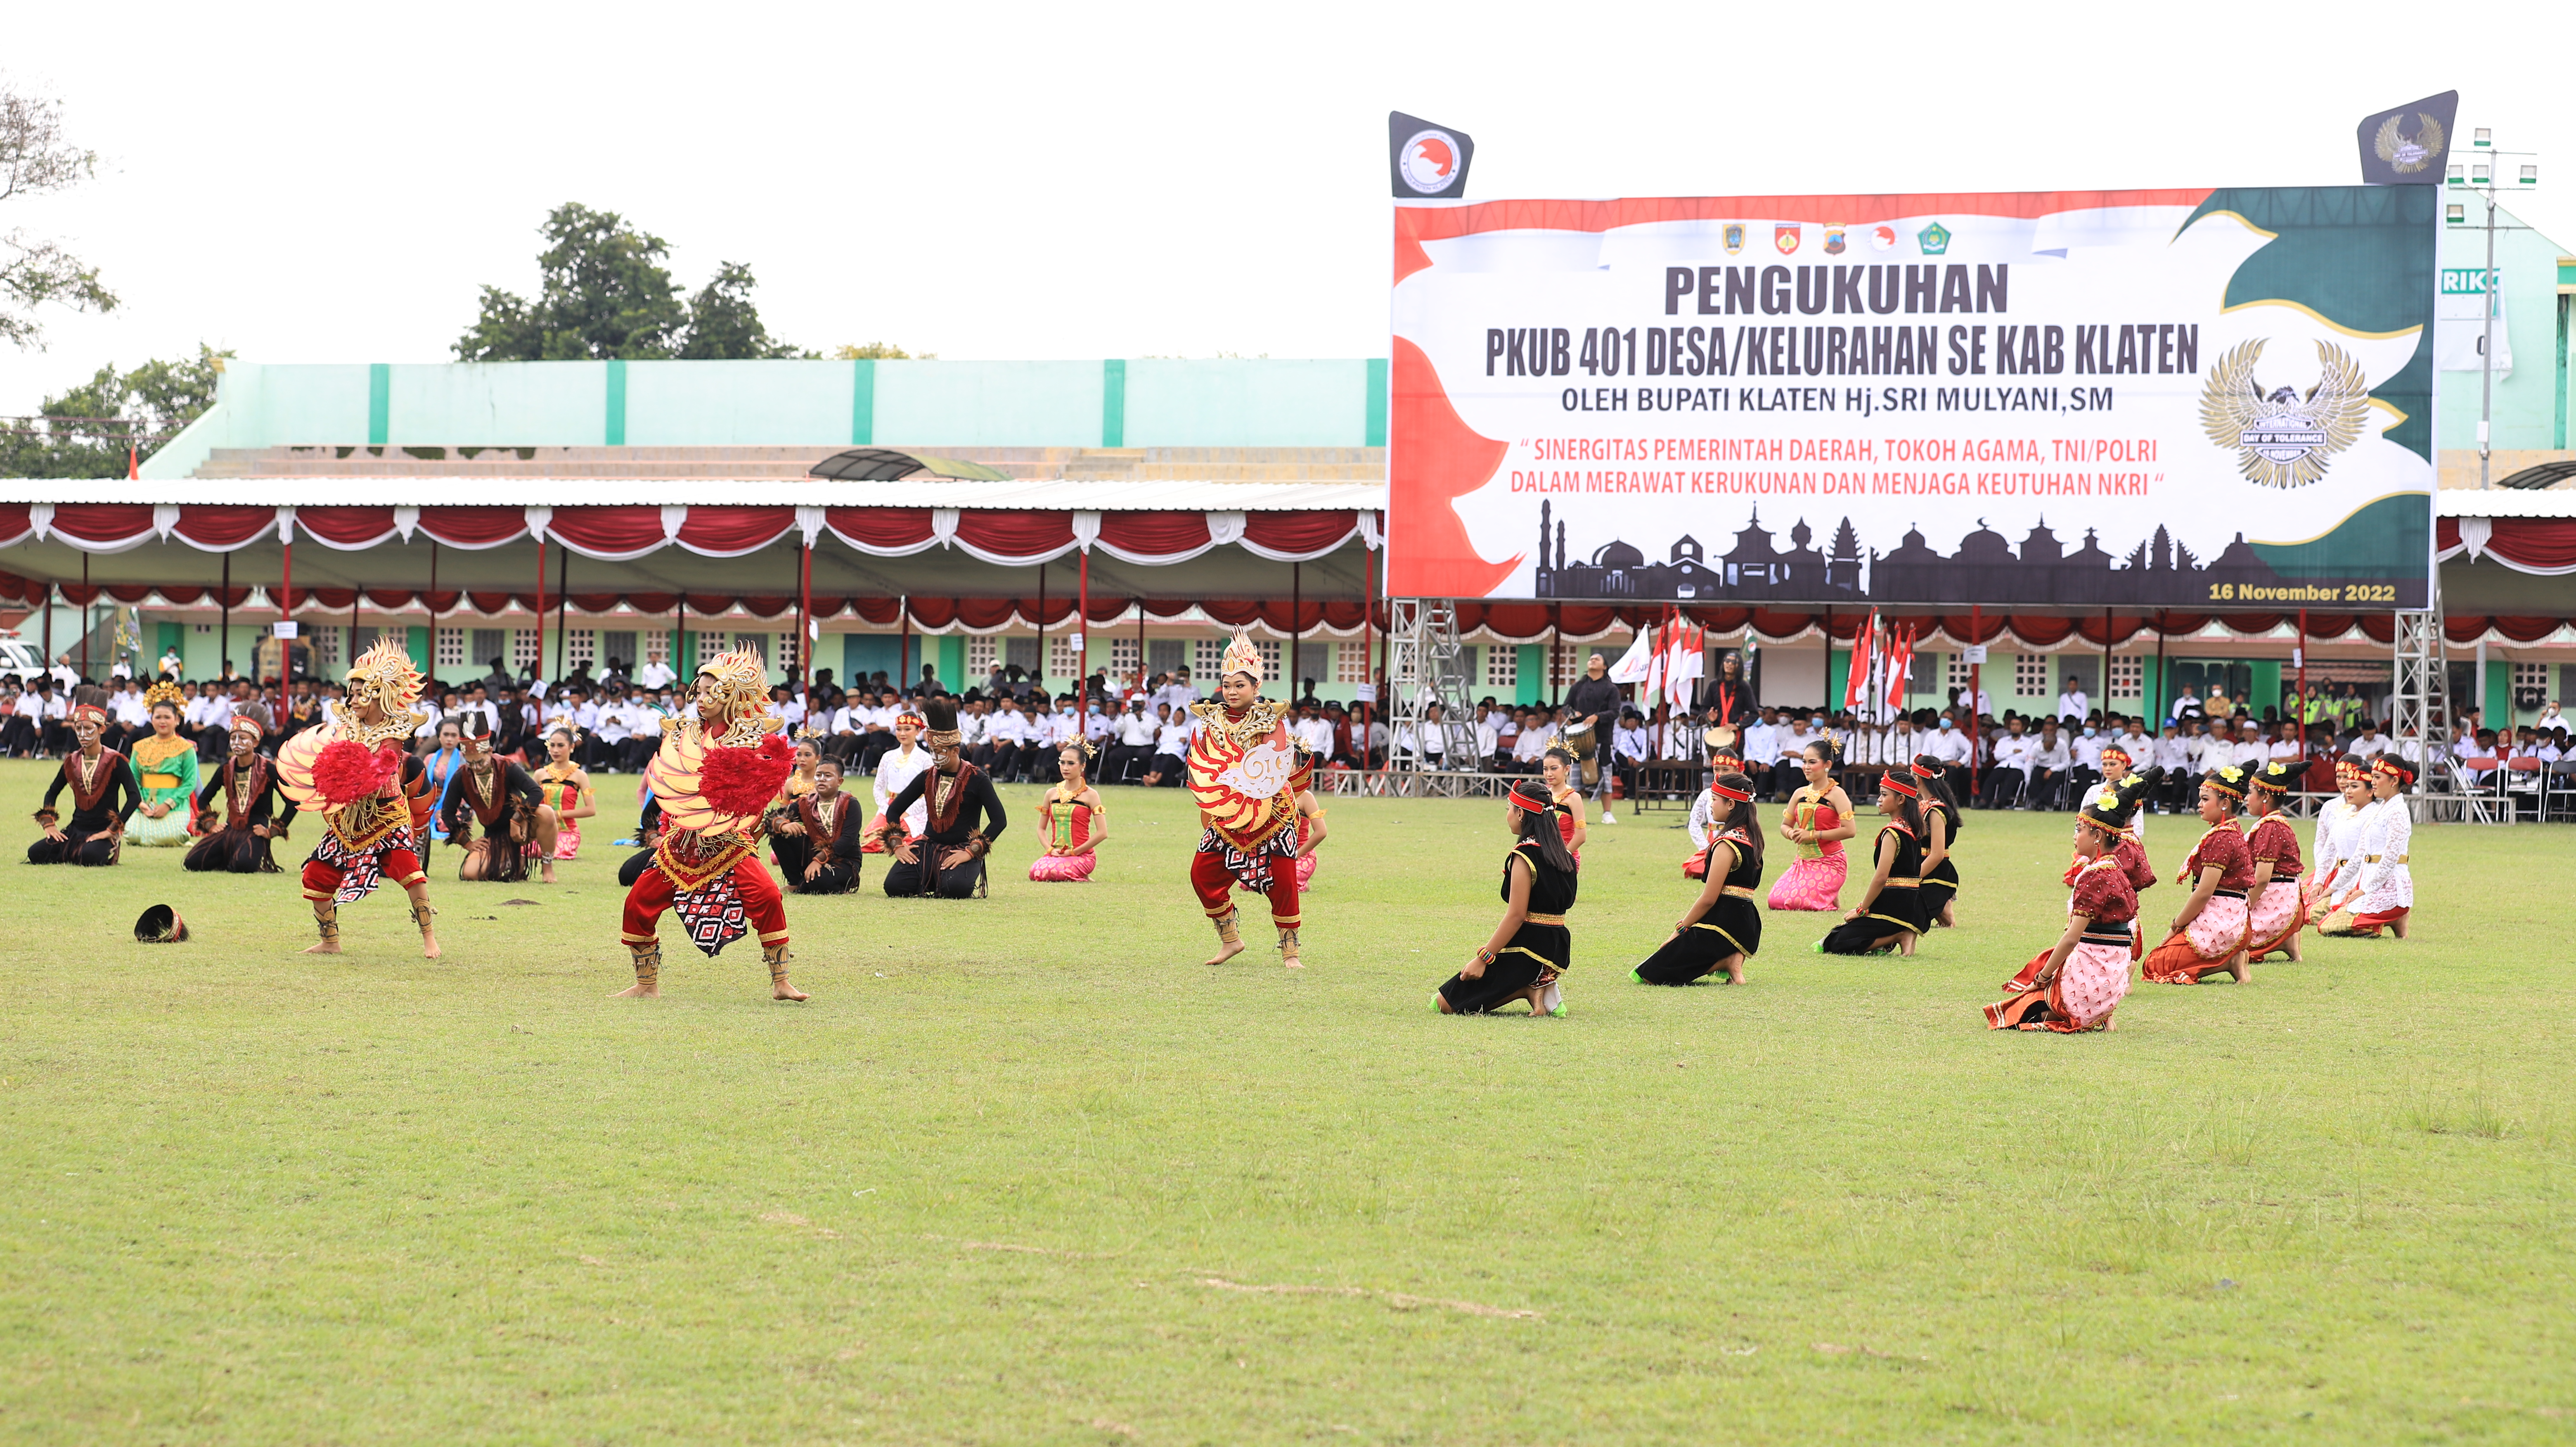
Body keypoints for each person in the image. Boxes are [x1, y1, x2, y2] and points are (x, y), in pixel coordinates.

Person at [616, 648, 803, 1000]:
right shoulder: (681, 735)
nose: (701, 699)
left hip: (729, 843)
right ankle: (646, 985)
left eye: (709, 692)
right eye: (697, 692)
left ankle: (782, 983)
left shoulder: (751, 740)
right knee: (637, 902)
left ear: (730, 694)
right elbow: (667, 789)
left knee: (767, 896)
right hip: (681, 843)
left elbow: (759, 795)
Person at [274, 640, 443, 958]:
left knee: (410, 872)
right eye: (350, 692)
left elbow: (386, 762)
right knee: (316, 875)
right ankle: (330, 941)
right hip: (349, 818)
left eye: (358, 691)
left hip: (385, 816)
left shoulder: (394, 730)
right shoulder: (346, 726)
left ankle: (429, 937)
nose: (351, 698)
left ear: (378, 692)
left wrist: (356, 771)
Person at [1185, 630, 1313, 968]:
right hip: (1229, 813)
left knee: (1284, 884)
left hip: (1272, 814)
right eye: (1227, 685)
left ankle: (1291, 953)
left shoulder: (1271, 719)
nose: (1231, 692)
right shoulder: (1213, 721)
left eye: (1239, 685)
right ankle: (1230, 940)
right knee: (1202, 874)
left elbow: (1268, 767)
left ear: (1256, 687)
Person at [1982, 791, 2139, 1033]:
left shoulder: (2095, 875)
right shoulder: (2117, 870)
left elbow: (2071, 939)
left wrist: (2042, 978)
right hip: (2112, 979)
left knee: (2015, 1011)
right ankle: (2101, 1013)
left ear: (2097, 835)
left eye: (2079, 829)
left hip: (2090, 977)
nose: (2075, 836)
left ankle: (2081, 1010)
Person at [1433, 779, 1576, 1016]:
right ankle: (1541, 983)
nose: (1508, 815)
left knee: (1444, 1003)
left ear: (1521, 814)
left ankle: (1528, 989)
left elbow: (1517, 916)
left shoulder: (1525, 855)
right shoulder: (1565, 856)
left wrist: (1483, 958)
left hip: (1528, 948)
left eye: (1509, 809)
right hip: (1556, 949)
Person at [1633, 773, 1763, 986]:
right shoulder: (1751, 836)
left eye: (1714, 799)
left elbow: (1709, 899)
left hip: (1724, 925)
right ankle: (1732, 957)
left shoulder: (1727, 843)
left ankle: (1728, 960)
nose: (1711, 805)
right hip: (1745, 925)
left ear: (1731, 804)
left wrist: (1679, 930)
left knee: (1650, 973)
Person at [881, 696, 1009, 899]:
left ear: (955, 751)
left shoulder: (977, 778)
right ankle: (933, 875)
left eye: (940, 752)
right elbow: (894, 810)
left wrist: (970, 852)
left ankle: (948, 876)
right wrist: (898, 845)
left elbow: (1000, 821)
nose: (935, 757)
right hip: (928, 847)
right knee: (894, 887)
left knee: (955, 890)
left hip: (962, 850)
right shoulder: (927, 776)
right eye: (932, 751)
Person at [2139, 764, 2255, 985]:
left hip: (2223, 922)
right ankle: (2232, 956)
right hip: (2236, 920)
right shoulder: (2230, 831)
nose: (2199, 805)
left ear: (2224, 804)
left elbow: (2204, 893)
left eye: (2204, 799)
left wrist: (2176, 926)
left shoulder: (2220, 838)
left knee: (2154, 965)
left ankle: (2228, 963)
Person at [1817, 768, 1928, 956]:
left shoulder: (1893, 833)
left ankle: (1900, 935)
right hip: (1912, 906)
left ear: (1901, 800)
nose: (1879, 799)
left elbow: (1881, 878)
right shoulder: (1914, 830)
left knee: (1836, 942)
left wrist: (1862, 909)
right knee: (1842, 935)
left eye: (1884, 795)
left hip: (1893, 905)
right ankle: (1902, 933)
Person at [440, 715, 553, 883]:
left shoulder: (507, 766)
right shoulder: (461, 776)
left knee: (547, 813)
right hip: (494, 836)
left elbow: (536, 792)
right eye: (471, 763)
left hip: (523, 827)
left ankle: (548, 868)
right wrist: (467, 843)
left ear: (490, 752)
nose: (476, 768)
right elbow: (448, 813)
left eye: (480, 762)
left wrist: (517, 820)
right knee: (470, 874)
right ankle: (512, 861)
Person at [27, 704, 138, 866]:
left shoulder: (116, 761)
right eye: (78, 729)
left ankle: (102, 847)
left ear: (102, 729)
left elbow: (135, 797)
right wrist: (49, 824)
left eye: (88, 728)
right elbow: (52, 792)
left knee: (89, 856)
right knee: (35, 853)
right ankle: (75, 849)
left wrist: (111, 831)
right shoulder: (72, 761)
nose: (82, 734)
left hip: (103, 830)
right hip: (75, 831)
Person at [2319, 757, 2414, 938]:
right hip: (2370, 882)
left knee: (2331, 927)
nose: (2373, 782)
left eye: (2378, 777)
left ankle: (2396, 916)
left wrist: (2365, 890)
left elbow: (2389, 859)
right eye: (2373, 777)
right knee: (2325, 923)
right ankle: (2388, 921)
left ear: (2394, 781)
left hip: (2390, 885)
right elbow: (2360, 858)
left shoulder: (2398, 812)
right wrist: (2346, 886)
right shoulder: (2380, 810)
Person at [185, 715, 287, 873]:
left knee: (243, 866)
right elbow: (204, 798)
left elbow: (293, 802)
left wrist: (271, 831)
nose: (237, 742)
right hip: (229, 829)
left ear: (255, 742)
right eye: (233, 738)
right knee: (192, 862)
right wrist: (211, 825)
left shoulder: (268, 769)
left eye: (243, 738)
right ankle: (230, 853)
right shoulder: (226, 768)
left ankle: (237, 855)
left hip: (255, 831)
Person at [1767, 738, 1854, 910]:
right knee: (1775, 900)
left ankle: (1829, 895)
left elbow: (1850, 830)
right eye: (1804, 762)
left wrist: (1813, 835)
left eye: (1812, 762)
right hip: (1802, 862)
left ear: (1827, 764)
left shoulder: (1837, 794)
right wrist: (1791, 833)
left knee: (1797, 902)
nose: (1806, 767)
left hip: (1830, 861)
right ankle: (1828, 896)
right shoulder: (1799, 793)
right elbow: (1785, 825)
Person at [2239, 759, 2308, 962]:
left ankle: (2285, 936)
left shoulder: (2270, 827)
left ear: (2266, 797)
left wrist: (2243, 907)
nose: (2246, 798)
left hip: (2277, 899)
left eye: (2250, 792)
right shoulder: (2272, 823)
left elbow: (2262, 879)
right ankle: (2287, 939)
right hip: (2279, 896)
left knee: (2228, 946)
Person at [123, 686, 202, 847]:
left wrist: (168, 805)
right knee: (132, 835)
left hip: (174, 805)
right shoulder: (139, 747)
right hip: (144, 805)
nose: (163, 721)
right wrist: (140, 804)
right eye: (158, 717)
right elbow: (132, 780)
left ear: (177, 720)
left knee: (171, 836)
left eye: (167, 717)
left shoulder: (186, 748)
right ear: (152, 720)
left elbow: (190, 782)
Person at [2306, 757, 2372, 929]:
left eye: (2350, 781)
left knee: (2324, 921)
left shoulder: (2372, 813)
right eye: (2339, 777)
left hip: (2356, 873)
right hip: (2331, 870)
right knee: (2306, 913)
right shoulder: (2332, 807)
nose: (2343, 784)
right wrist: (2321, 878)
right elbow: (2322, 844)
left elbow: (2360, 856)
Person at [781, 759, 864, 894]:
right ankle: (796, 882)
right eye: (818, 775)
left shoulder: (851, 803)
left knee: (818, 882)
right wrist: (784, 825)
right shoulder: (806, 803)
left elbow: (848, 839)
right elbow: (775, 817)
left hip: (845, 862)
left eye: (828, 776)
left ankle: (811, 884)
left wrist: (819, 860)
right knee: (779, 834)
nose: (822, 779)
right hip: (814, 857)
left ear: (840, 781)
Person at [1030, 740, 1108, 882]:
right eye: (1062, 763)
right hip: (1055, 855)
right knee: (1036, 872)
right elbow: (1041, 829)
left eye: (1071, 763)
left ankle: (1080, 873)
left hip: (1082, 855)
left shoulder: (1091, 795)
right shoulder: (1051, 794)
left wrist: (1073, 852)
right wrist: (1050, 850)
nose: (1065, 768)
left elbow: (1103, 833)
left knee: (1055, 873)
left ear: (1083, 766)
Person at [1563, 651, 1625, 822]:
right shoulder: (1578, 686)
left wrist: (1598, 717)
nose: (1593, 660)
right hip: (1579, 741)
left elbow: (1614, 712)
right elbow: (1566, 707)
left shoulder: (1611, 688)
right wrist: (1572, 713)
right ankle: (1575, 815)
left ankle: (1607, 813)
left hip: (1602, 738)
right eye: (1591, 658)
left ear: (1605, 667)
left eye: (1597, 659)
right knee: (1577, 778)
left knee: (1605, 775)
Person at [865, 708, 932, 856]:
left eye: (908, 729)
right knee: (872, 842)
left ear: (918, 732)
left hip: (915, 809)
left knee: (910, 839)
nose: (902, 734)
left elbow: (929, 794)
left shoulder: (926, 759)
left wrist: (907, 813)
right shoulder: (888, 757)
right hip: (890, 806)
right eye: (899, 729)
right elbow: (879, 787)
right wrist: (885, 809)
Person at [1911, 754, 1966, 927]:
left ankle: (1943, 903)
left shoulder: (1936, 810)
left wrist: (1911, 879)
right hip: (1918, 865)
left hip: (1934, 873)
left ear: (1918, 778)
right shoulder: (1922, 804)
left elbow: (1937, 854)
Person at [533, 728, 593, 859]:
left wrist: (558, 814)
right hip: (541, 831)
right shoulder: (540, 774)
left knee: (553, 852)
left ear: (572, 747)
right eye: (552, 745)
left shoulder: (580, 776)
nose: (555, 750)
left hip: (567, 832)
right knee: (529, 851)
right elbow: (530, 804)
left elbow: (591, 810)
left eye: (561, 746)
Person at [1539, 741, 1588, 863]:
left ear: (1567, 769)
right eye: (1546, 769)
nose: (1549, 774)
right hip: (1543, 855)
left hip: (1566, 857)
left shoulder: (1574, 798)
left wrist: (1564, 855)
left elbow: (1581, 836)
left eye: (1554, 769)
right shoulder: (1543, 795)